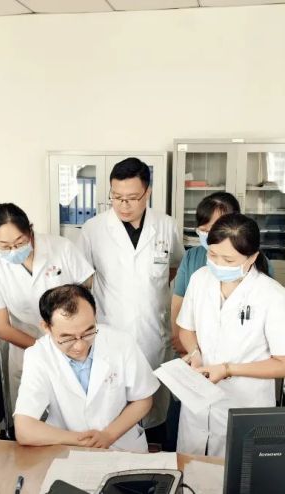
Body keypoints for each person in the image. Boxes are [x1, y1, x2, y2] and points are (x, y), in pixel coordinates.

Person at [176, 213, 285, 457]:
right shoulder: (200, 279)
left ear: (252, 257)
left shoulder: (274, 296)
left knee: (236, 473)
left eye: (229, 260)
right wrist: (195, 353)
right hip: (197, 408)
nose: (218, 264)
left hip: (244, 407)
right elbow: (186, 328)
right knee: (191, 471)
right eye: (213, 255)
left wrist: (228, 369)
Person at [77, 157, 183, 432]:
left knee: (154, 407)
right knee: (114, 407)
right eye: (117, 197)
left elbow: (173, 268)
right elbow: (83, 281)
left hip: (153, 330)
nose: (124, 205)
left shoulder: (166, 225)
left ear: (147, 192)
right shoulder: (93, 229)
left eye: (132, 198)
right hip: (110, 329)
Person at [14, 284, 158, 452]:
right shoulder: (37, 355)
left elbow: (143, 399)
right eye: (67, 338)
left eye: (88, 333)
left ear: (94, 316)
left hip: (123, 445)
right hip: (67, 450)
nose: (80, 346)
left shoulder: (121, 342)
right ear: (46, 327)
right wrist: (84, 441)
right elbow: (24, 429)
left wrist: (109, 435)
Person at [0, 203, 94, 409]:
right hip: (26, 347)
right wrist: (45, 349)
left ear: (30, 231)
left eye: (20, 242)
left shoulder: (61, 247)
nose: (13, 250)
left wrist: (67, 344)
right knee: (34, 413)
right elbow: (1, 326)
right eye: (4, 246)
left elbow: (87, 294)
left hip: (73, 344)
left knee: (75, 410)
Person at [170, 192, 242, 357]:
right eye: (204, 230)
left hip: (234, 354)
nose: (210, 235)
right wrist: (181, 340)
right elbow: (178, 303)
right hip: (191, 346)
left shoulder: (251, 262)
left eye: (216, 229)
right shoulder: (193, 258)